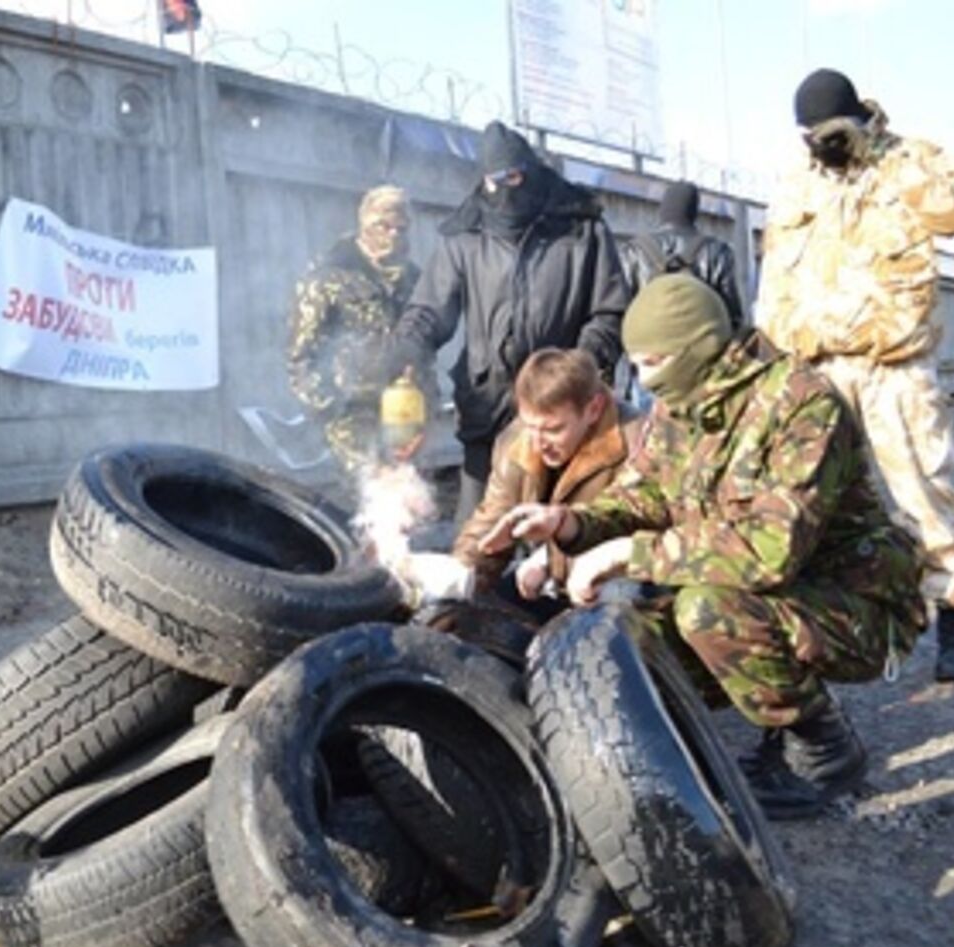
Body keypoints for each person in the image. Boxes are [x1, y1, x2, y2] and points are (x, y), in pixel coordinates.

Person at [480, 275, 927, 820]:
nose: (640, 379)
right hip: (768, 597)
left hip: (852, 605)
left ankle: (823, 749)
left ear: (696, 350)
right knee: (626, 638)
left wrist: (627, 554)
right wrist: (567, 523)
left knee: (706, 610)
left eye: (652, 361)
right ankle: (752, 736)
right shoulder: (683, 404)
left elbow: (768, 550)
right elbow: (644, 496)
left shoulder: (804, 406)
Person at [754, 68, 954, 683]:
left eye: (828, 131)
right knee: (815, 499)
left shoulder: (908, 159)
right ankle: (846, 621)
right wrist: (776, 361)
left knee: (924, 495)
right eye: (808, 135)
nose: (820, 143)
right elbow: (774, 278)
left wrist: (883, 157)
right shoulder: (797, 184)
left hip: (894, 368)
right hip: (820, 367)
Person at [395, 121, 628, 527]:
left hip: (562, 419)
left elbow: (610, 312)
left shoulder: (581, 228)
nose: (504, 191)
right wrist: (403, 349)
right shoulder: (465, 237)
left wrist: (571, 372)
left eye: (513, 178)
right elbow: (430, 310)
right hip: (488, 407)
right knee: (479, 535)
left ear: (530, 172)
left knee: (564, 534)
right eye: (493, 181)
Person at [439, 348, 646, 608]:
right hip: (554, 581)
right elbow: (491, 523)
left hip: (623, 588)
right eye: (530, 426)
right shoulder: (517, 442)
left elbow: (641, 533)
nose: (538, 444)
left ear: (594, 409)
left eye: (553, 430)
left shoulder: (640, 442)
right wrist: (456, 581)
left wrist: (548, 560)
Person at [287, 185, 432, 473]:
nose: (393, 235)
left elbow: (425, 349)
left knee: (410, 499)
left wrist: (426, 408)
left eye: (401, 229)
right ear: (365, 224)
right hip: (351, 419)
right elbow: (300, 358)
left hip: (404, 415)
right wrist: (331, 410)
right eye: (384, 226)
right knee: (369, 501)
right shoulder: (329, 276)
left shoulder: (415, 279)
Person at [616, 180, 745, 407]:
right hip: (697, 370)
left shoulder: (633, 252)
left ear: (663, 208)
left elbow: (617, 313)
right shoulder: (717, 252)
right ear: (694, 211)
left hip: (646, 366)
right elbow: (732, 318)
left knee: (649, 436)